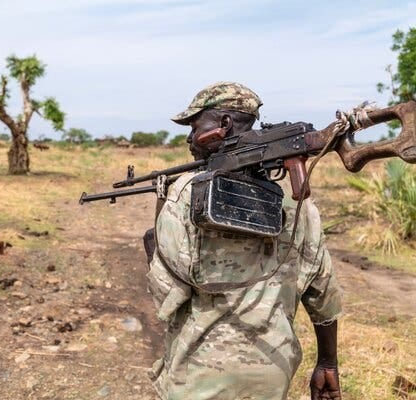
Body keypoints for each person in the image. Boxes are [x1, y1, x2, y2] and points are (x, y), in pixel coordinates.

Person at [144, 82, 343, 400]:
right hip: (272, 374)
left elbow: (166, 296)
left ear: (223, 125)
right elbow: (323, 293)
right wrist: (327, 362)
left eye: (195, 127)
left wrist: (154, 242)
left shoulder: (184, 191)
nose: (189, 138)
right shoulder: (297, 204)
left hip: (198, 375)